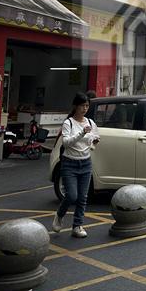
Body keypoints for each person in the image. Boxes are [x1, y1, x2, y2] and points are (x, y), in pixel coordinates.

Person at [51, 92, 100, 238]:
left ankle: (77, 225)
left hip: (85, 163)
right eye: (82, 106)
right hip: (69, 163)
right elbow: (66, 143)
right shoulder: (69, 123)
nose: (85, 109)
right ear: (75, 106)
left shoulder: (90, 122)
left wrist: (94, 141)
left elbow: (94, 138)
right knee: (72, 196)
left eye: (87, 106)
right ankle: (59, 215)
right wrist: (82, 133)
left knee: (83, 197)